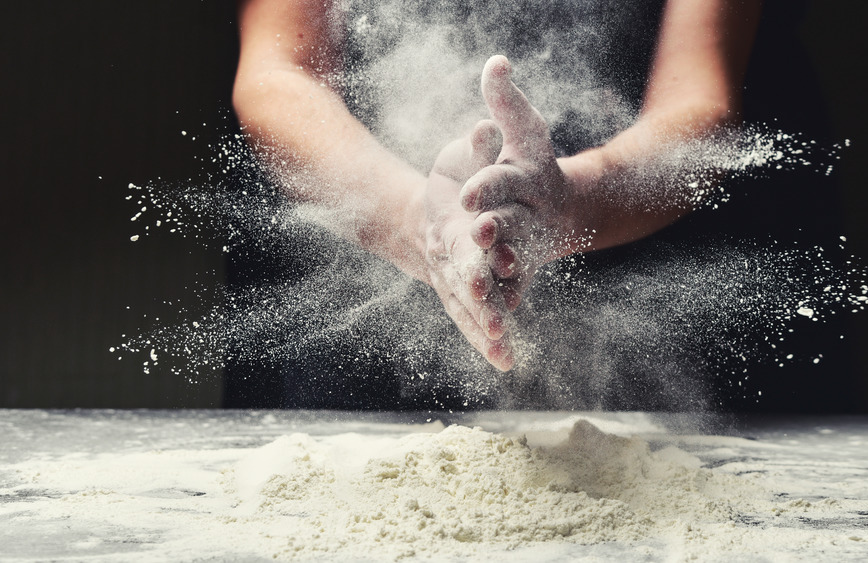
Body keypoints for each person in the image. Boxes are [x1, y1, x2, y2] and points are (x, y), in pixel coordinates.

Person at [232, 0, 762, 379]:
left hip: (647, 266)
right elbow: (278, 77)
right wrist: (416, 219)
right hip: (364, 306)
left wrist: (568, 203)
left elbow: (700, 100)